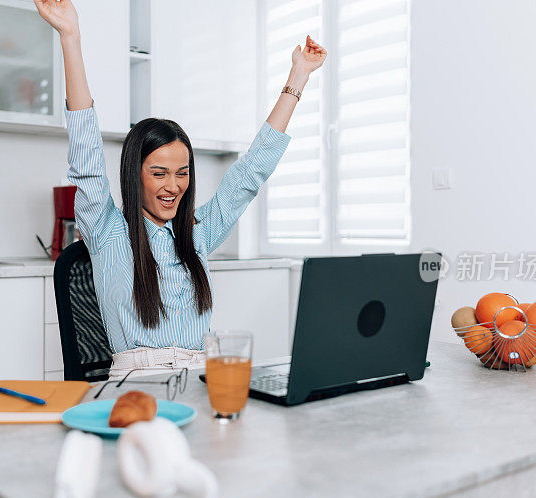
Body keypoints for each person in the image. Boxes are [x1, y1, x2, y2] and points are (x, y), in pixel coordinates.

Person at [34, 0, 326, 374]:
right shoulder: (107, 231)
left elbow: (250, 173)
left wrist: (298, 75)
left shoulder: (197, 233)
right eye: (159, 173)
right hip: (139, 382)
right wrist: (70, 37)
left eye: (182, 173)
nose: (173, 186)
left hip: (203, 376)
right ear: (133, 174)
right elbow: (86, 155)